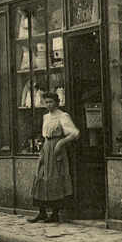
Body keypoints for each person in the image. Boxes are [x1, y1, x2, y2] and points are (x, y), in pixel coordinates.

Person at [28, 91, 80, 223]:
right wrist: (42, 149)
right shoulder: (46, 117)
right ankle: (42, 212)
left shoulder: (63, 116)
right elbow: (44, 134)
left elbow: (75, 133)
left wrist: (61, 143)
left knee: (54, 178)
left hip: (57, 150)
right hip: (46, 148)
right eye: (46, 102)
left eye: (51, 102)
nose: (48, 105)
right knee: (40, 176)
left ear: (57, 102)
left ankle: (55, 213)